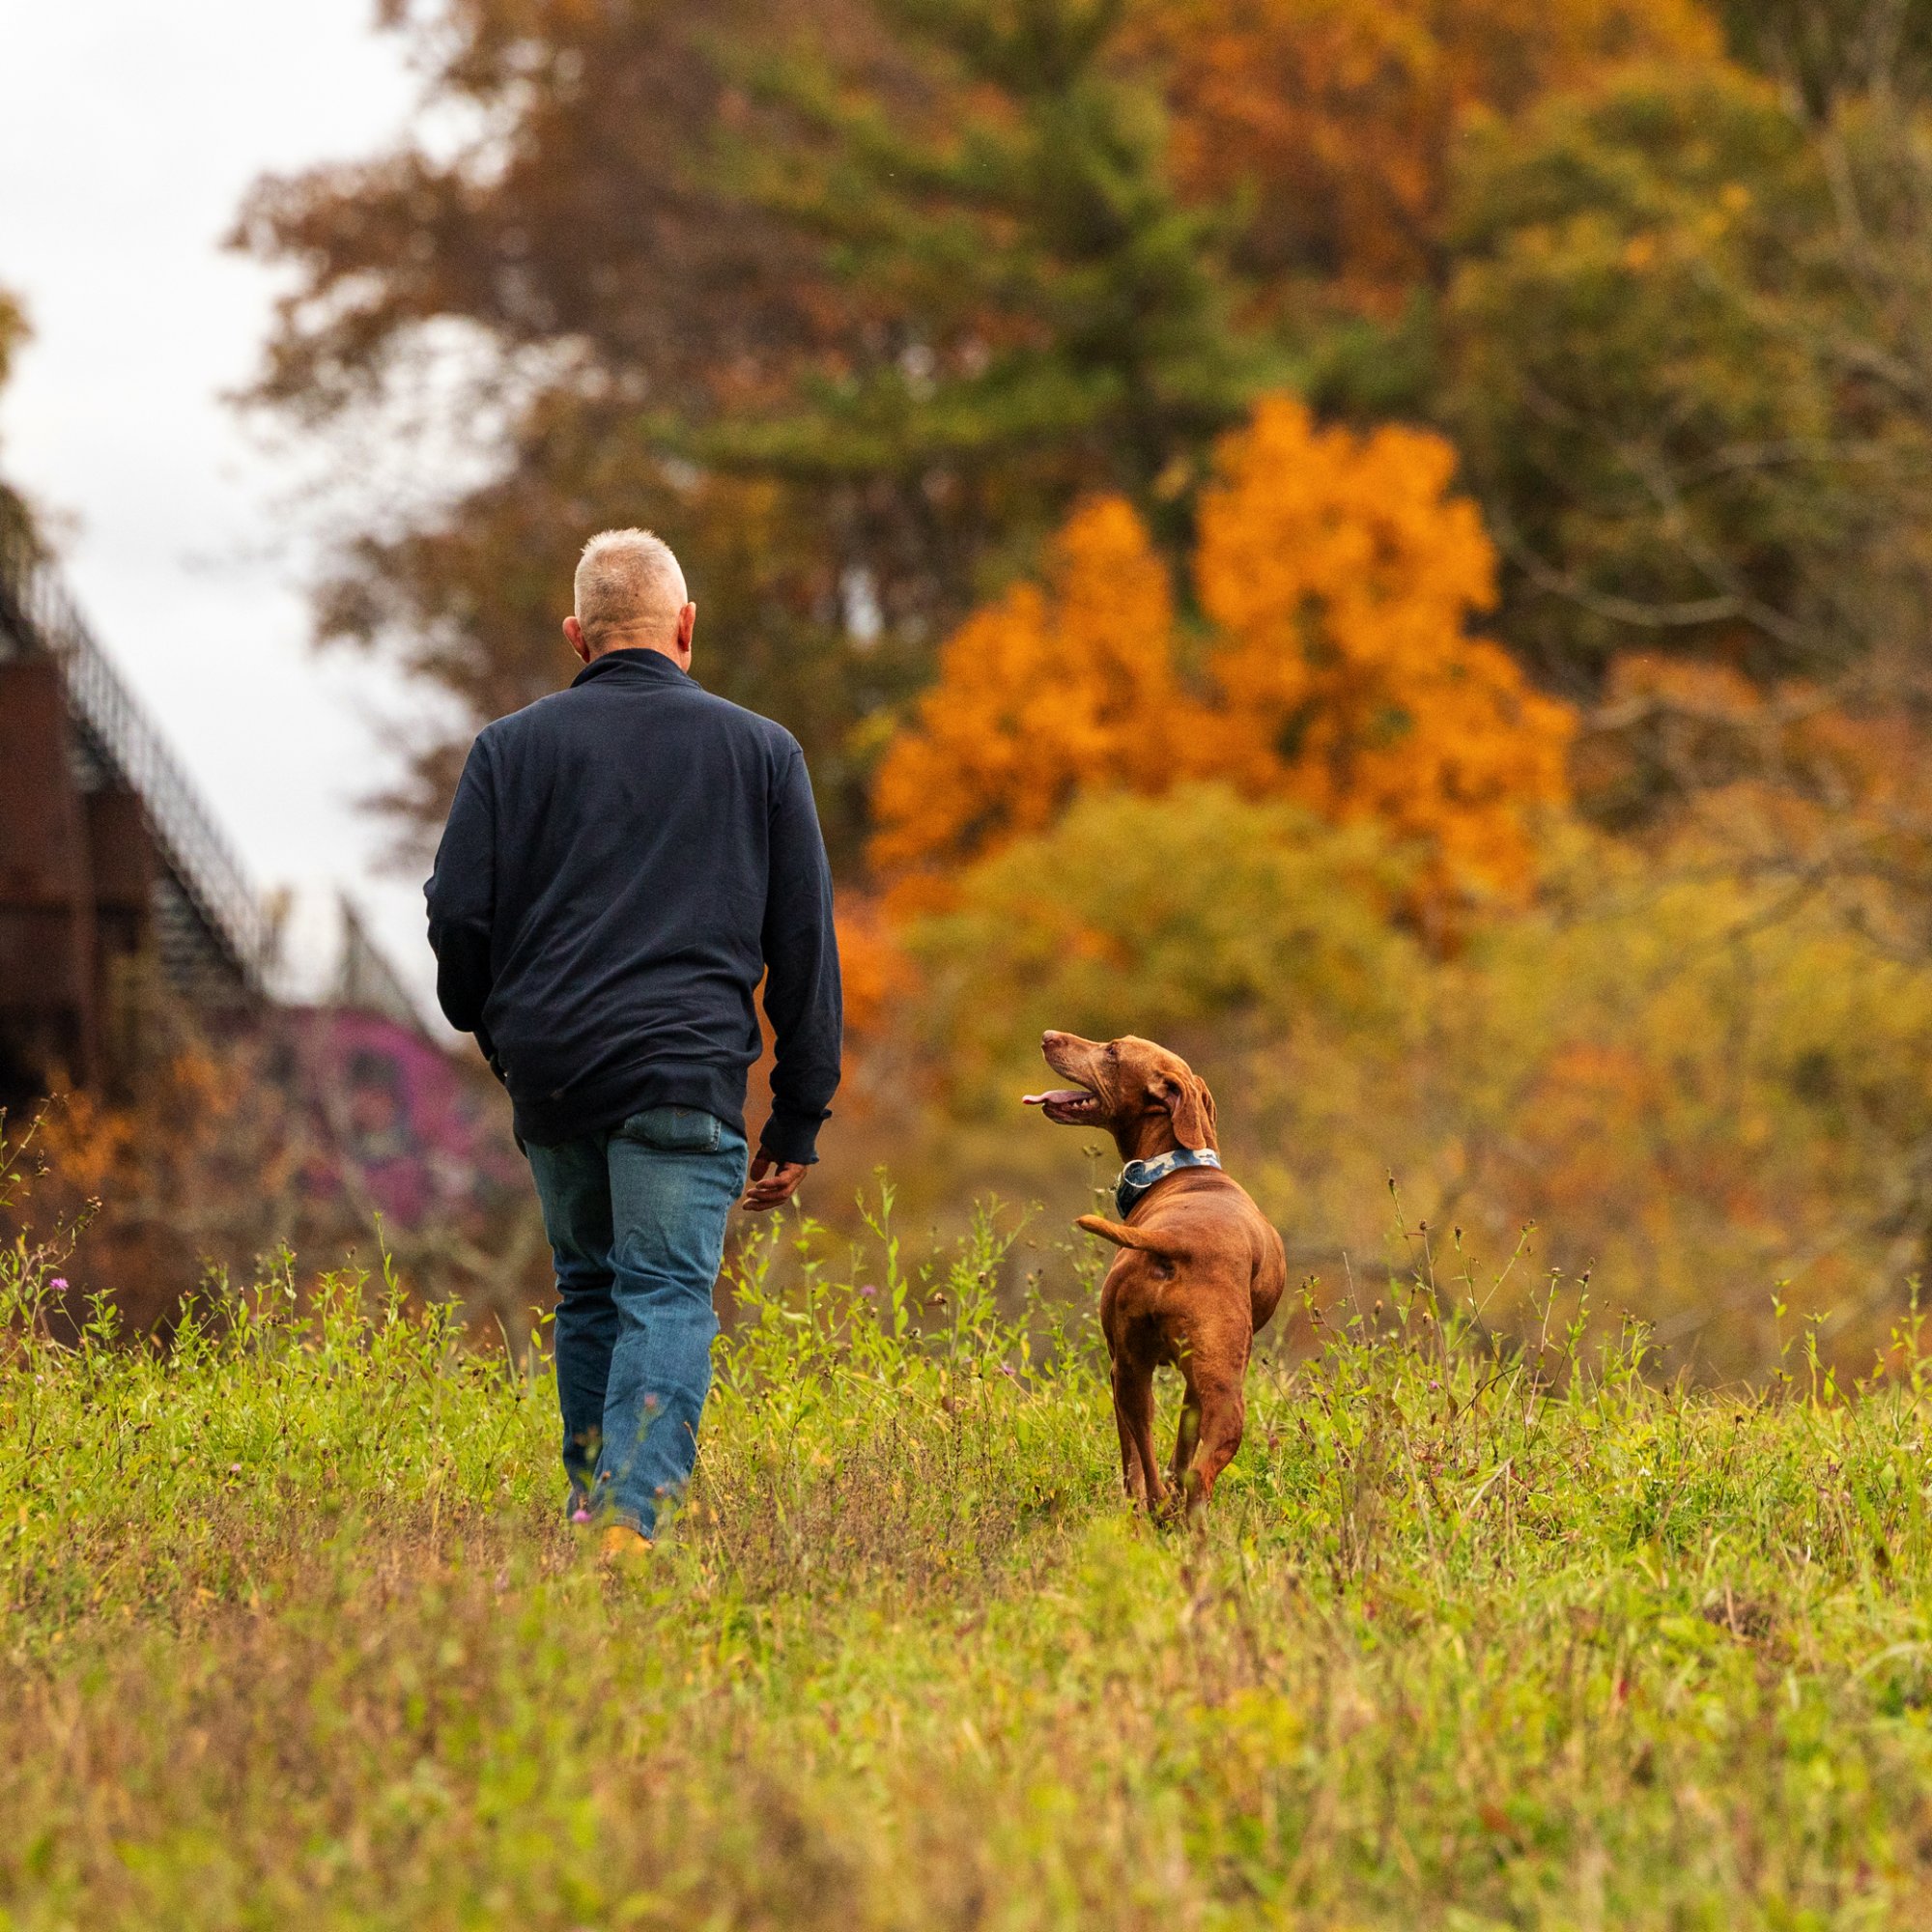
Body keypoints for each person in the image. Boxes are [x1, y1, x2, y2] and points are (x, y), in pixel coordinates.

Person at [426, 528, 841, 1561]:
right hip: (680, 1073)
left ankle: (594, 1509)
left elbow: (455, 916)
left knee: (591, 1289)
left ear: (577, 635)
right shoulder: (761, 750)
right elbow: (803, 946)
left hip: (555, 1074)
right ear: (685, 627)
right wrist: (800, 1108)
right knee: (663, 1292)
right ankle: (628, 1522)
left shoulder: (507, 750)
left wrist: (493, 1025)